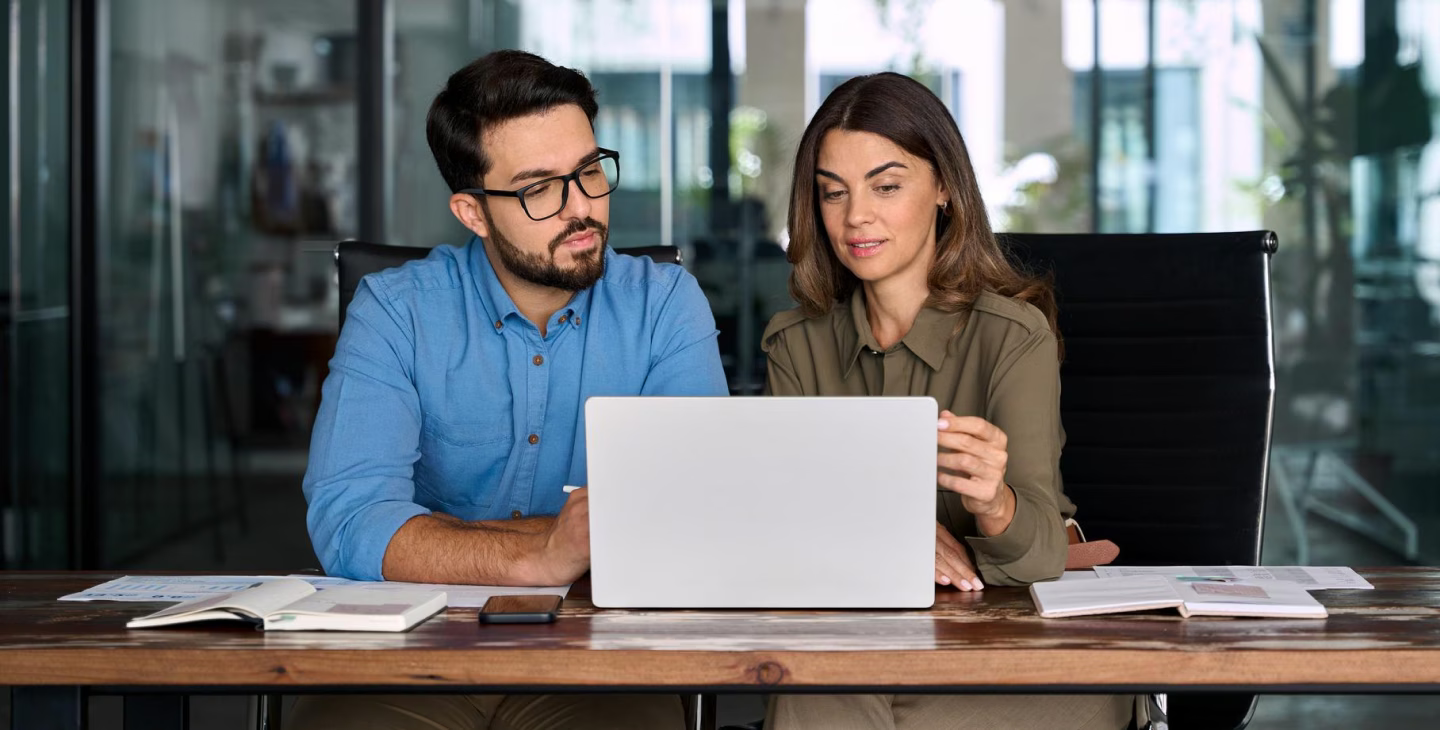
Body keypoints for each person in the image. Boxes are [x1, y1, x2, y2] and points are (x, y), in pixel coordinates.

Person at [291, 50, 726, 730]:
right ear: (472, 212)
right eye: (538, 189)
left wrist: (445, 538)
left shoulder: (665, 305)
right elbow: (351, 522)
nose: (581, 207)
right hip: (411, 650)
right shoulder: (395, 311)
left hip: (601, 656)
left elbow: (690, 517)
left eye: (588, 172)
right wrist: (544, 551)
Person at [761, 72, 1132, 730]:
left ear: (943, 190)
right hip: (857, 648)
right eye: (832, 193)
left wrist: (994, 503)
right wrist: (886, 532)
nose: (856, 217)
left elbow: (1041, 553)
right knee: (810, 691)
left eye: (887, 185)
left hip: (1010, 653)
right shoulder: (796, 346)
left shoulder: (1013, 335)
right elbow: (782, 521)